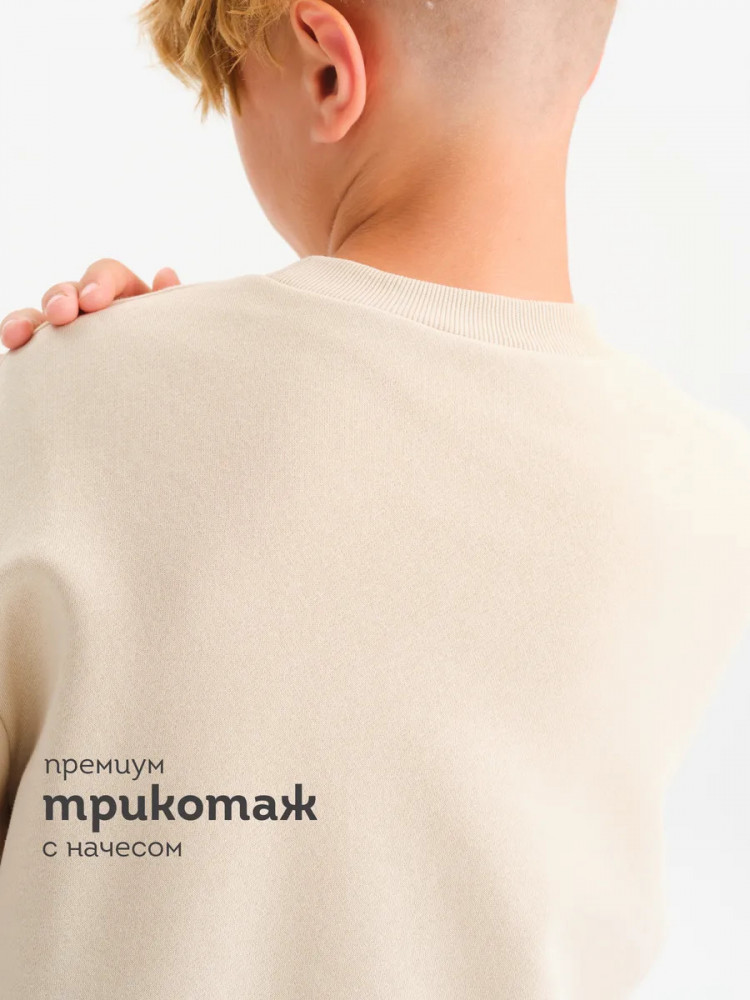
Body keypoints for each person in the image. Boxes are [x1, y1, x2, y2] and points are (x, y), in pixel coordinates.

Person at [1, 1, 749, 997]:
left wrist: (88, 390)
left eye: (234, 80)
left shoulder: (61, 401)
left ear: (327, 70)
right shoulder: (708, 494)